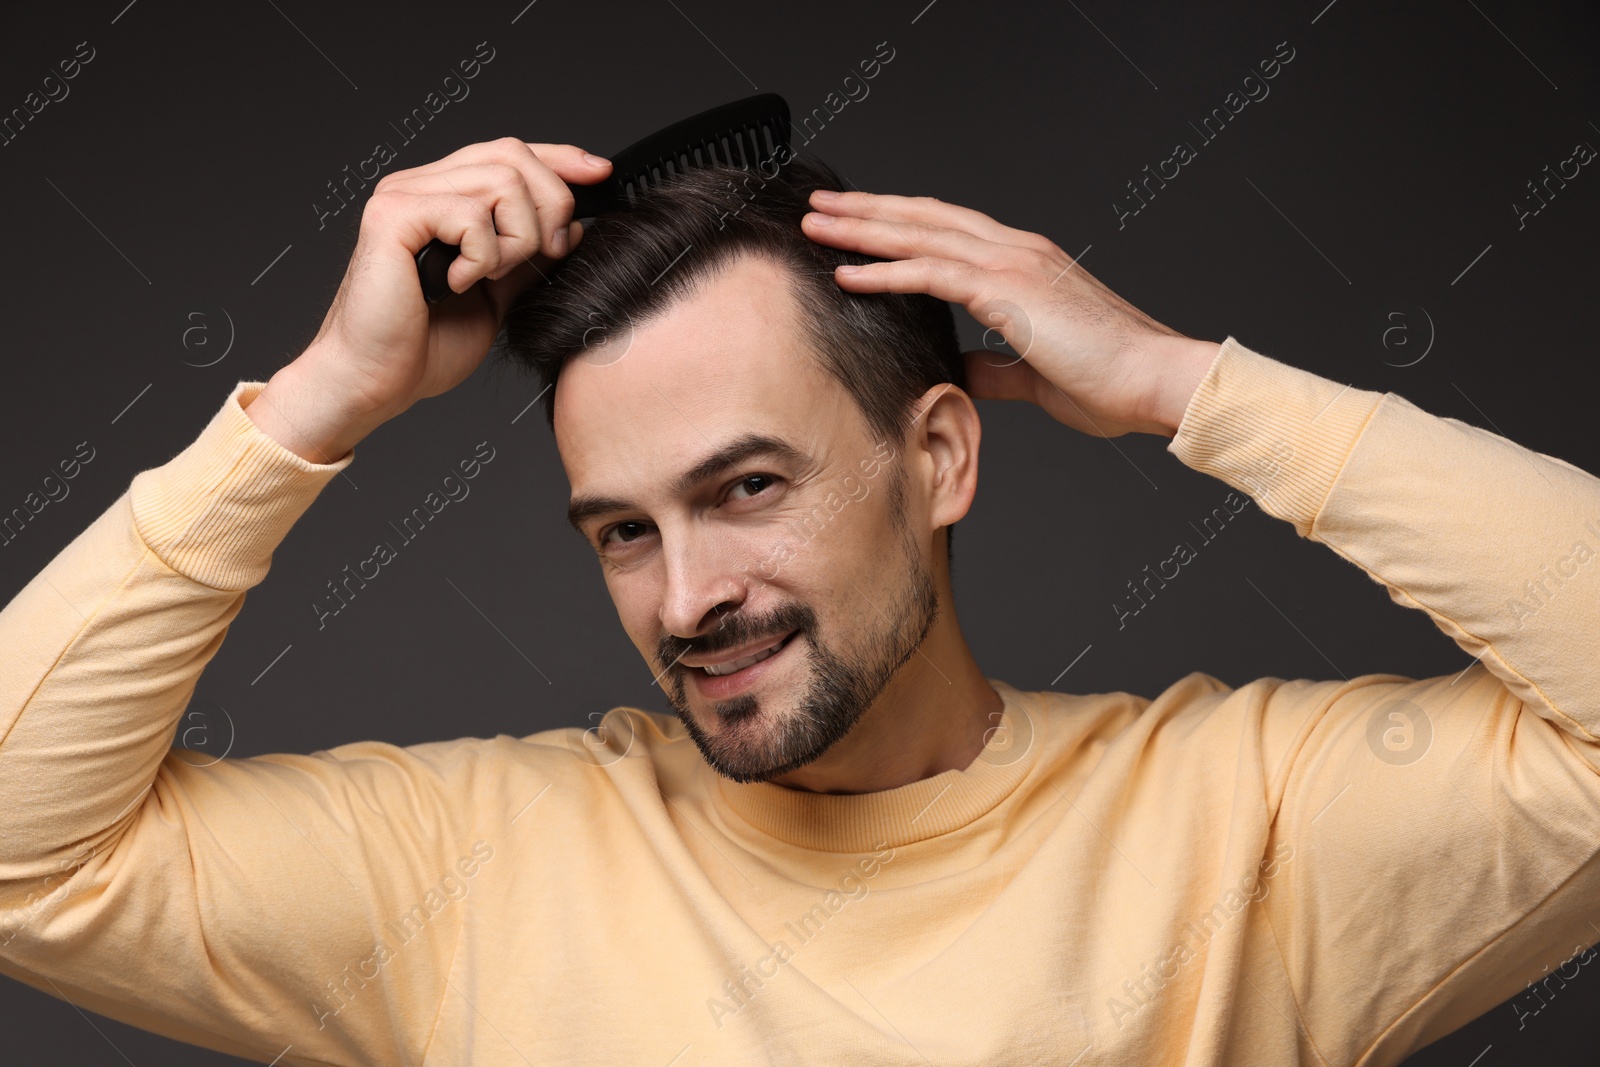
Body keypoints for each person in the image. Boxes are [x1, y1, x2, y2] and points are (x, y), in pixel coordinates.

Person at [0, 136, 1596, 1067]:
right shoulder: (470, 868)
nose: (687, 597)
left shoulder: (1246, 829)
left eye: (747, 488)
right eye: (621, 530)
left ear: (943, 458)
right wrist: (322, 401)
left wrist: (1189, 386)